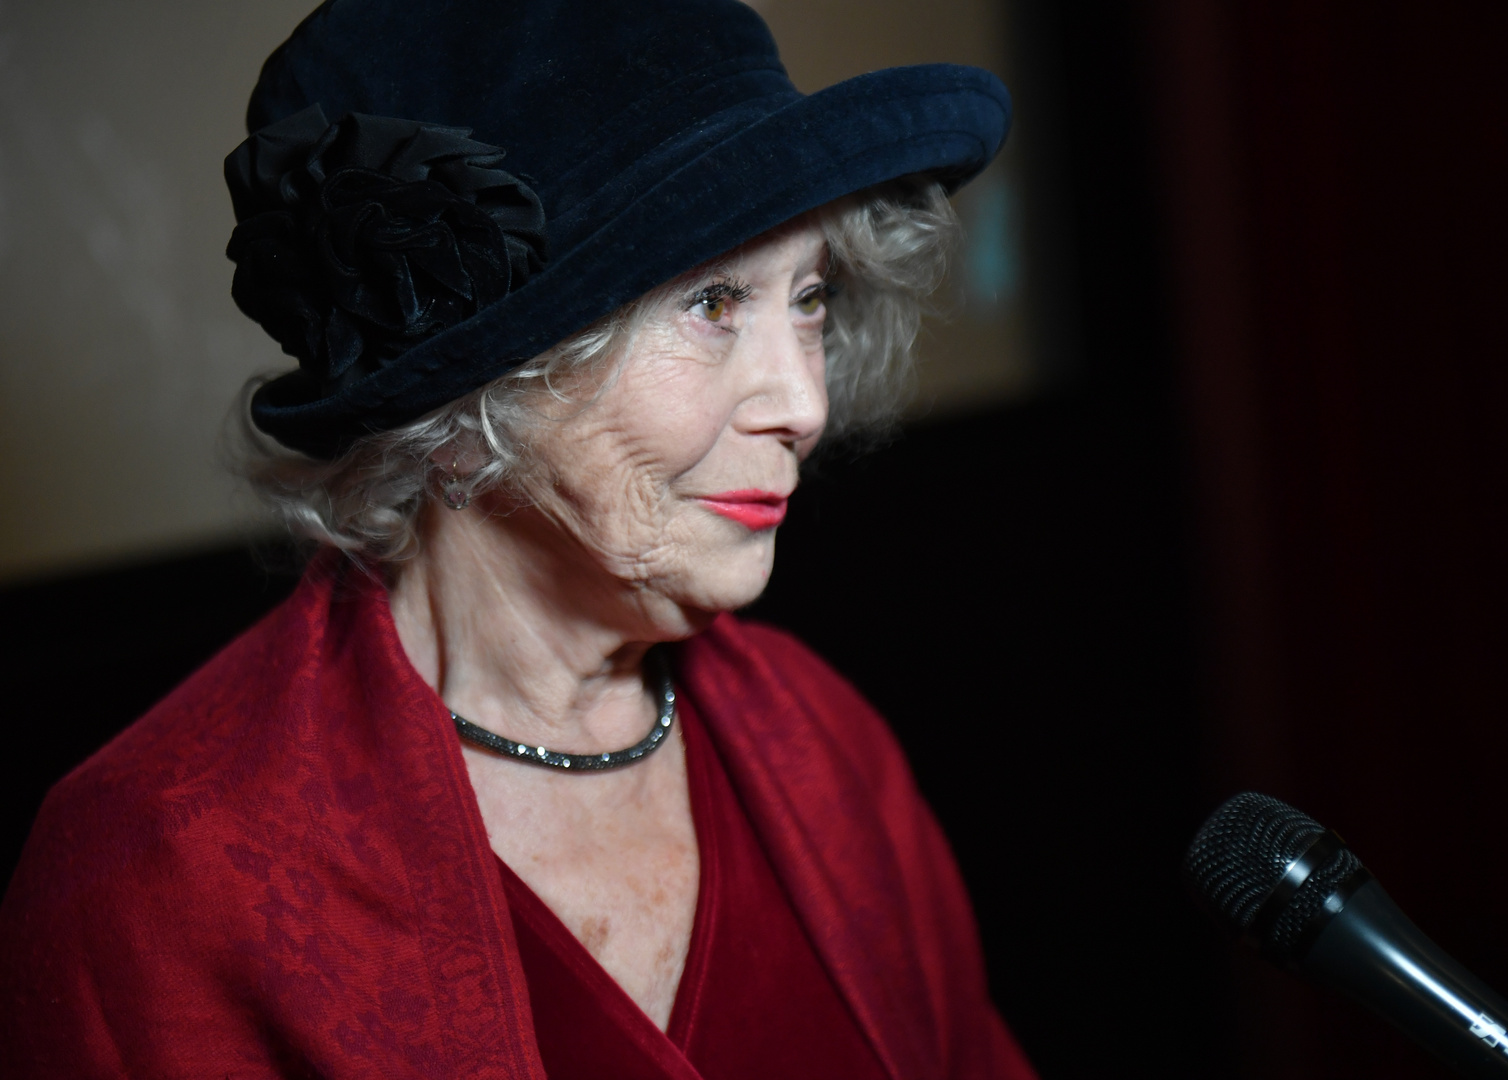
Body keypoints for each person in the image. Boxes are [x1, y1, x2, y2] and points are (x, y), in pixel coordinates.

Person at [0, 1, 1032, 1076]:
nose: (803, 405)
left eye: (809, 298)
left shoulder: (825, 743)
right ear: (465, 408)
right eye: (714, 302)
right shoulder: (158, 877)